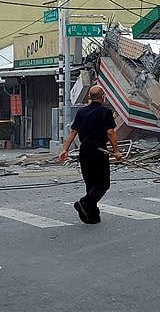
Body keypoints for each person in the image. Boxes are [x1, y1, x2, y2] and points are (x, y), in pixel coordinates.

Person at [59, 85, 122, 224]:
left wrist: (65, 149)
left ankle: (92, 215)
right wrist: (116, 151)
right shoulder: (106, 112)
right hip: (99, 151)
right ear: (103, 97)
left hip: (85, 151)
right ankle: (84, 202)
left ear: (89, 97)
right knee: (103, 184)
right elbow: (110, 132)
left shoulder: (81, 112)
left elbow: (73, 132)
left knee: (91, 183)